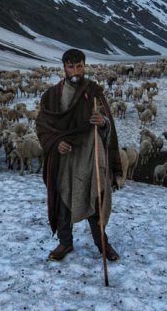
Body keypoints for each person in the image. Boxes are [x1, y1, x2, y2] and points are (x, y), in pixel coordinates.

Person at [35, 49, 122, 262]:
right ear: (64, 67)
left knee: (95, 194)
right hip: (66, 155)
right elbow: (43, 127)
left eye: (80, 66)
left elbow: (107, 124)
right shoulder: (52, 96)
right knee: (65, 196)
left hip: (91, 151)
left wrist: (102, 123)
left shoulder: (93, 92)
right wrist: (56, 144)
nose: (76, 71)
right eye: (71, 66)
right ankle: (65, 242)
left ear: (85, 66)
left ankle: (102, 243)